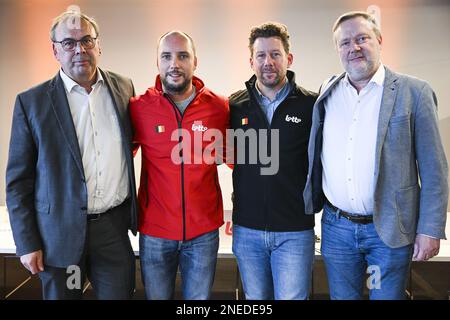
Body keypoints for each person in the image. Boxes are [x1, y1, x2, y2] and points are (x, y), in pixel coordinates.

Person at [303, 11, 448, 300]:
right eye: (345, 43)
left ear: (379, 41)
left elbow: (435, 169)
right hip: (337, 229)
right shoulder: (328, 91)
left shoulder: (413, 92)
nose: (353, 48)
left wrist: (430, 229)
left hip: (388, 231)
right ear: (337, 50)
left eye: (362, 39)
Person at [5, 10, 137, 300]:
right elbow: (18, 182)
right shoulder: (32, 103)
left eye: (87, 40)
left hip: (112, 233)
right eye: (69, 43)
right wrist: (26, 242)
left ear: (98, 45)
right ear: (55, 50)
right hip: (60, 237)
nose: (80, 49)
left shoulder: (123, 89)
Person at [129, 31, 229, 300]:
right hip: (155, 232)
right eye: (167, 56)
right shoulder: (139, 108)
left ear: (195, 61)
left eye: (183, 56)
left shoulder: (219, 107)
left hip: (203, 234)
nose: (175, 63)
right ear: (157, 63)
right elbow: (118, 158)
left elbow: (239, 160)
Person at [229, 22, 318, 300]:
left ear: (288, 59)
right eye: (261, 55)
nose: (268, 62)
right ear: (251, 61)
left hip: (294, 232)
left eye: (275, 54)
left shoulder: (311, 105)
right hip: (247, 231)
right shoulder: (234, 106)